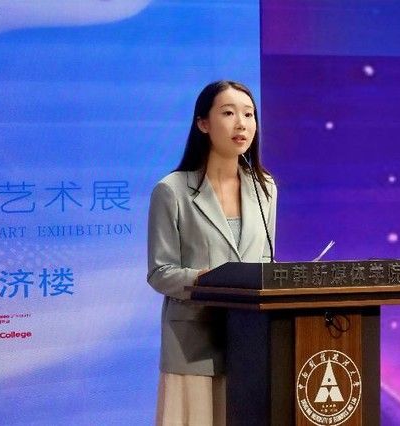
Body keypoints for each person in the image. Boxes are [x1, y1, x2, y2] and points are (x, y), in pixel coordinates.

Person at [147, 80, 277, 426]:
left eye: (249, 114)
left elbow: (266, 261)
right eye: (229, 113)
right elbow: (159, 272)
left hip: (250, 340)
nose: (242, 124)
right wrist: (206, 280)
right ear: (203, 123)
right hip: (193, 343)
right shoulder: (171, 191)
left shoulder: (265, 188)